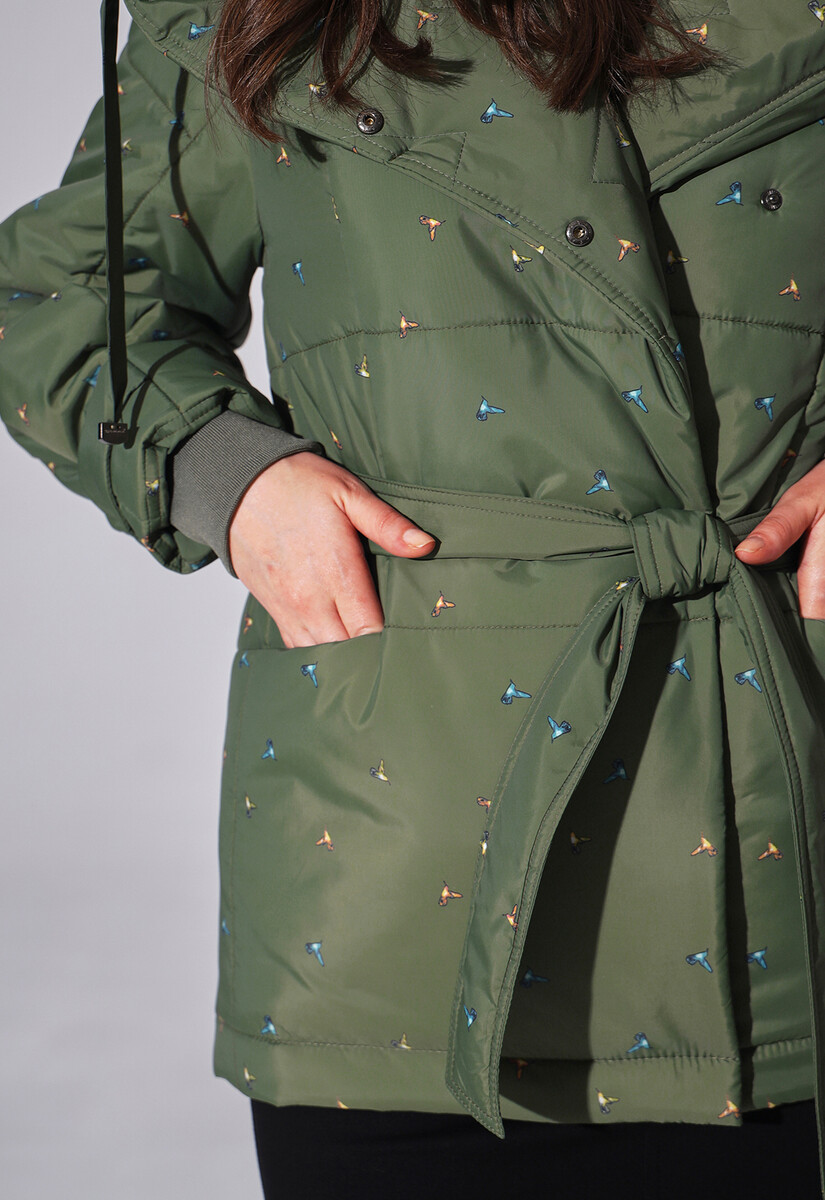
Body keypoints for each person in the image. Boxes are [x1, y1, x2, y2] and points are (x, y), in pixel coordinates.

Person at [2, 1, 825, 1197]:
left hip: (784, 839)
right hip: (395, 869)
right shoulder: (262, 11)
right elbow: (65, 290)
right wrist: (230, 477)